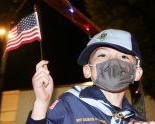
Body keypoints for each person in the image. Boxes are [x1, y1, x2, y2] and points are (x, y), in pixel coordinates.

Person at [26, 29, 155, 124]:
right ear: (88, 70)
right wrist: (41, 104)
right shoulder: (70, 103)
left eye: (124, 57)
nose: (113, 61)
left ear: (136, 73)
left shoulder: (136, 119)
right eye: (102, 55)